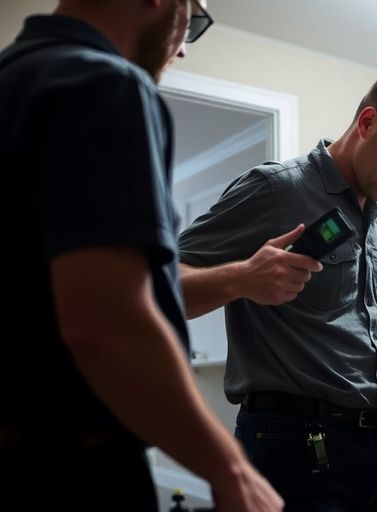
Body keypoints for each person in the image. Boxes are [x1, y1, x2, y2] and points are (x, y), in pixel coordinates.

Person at [0, 1, 283, 511]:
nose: (181, 48)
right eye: (193, 19)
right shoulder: (105, 84)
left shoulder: (16, 78)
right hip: (67, 474)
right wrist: (231, 468)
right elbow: (108, 324)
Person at [176, 68, 377, 510]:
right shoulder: (276, 189)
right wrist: (243, 278)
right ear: (367, 123)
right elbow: (158, 283)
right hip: (292, 448)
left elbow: (372, 317)